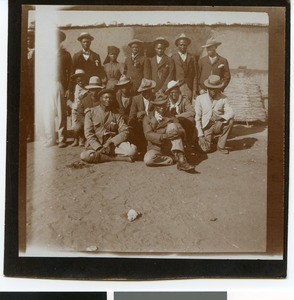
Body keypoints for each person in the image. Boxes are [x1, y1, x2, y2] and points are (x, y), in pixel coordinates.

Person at [80, 89, 137, 163]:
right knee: (85, 156)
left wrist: (111, 142)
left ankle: (101, 157)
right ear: (100, 99)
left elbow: (125, 131)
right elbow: (88, 134)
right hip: (95, 144)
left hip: (112, 145)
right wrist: (98, 148)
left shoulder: (116, 114)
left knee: (132, 151)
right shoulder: (91, 112)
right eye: (105, 97)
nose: (108, 100)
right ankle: (117, 158)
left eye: (110, 98)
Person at [143, 95, 195, 172]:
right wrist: (164, 136)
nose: (162, 107)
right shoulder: (147, 118)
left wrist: (177, 132)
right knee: (148, 160)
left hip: (170, 146)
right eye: (159, 105)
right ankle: (172, 159)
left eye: (163, 105)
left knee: (172, 126)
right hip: (156, 147)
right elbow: (148, 134)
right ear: (155, 106)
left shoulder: (171, 116)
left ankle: (181, 160)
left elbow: (181, 130)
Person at [45, 30, 72, 148]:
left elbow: (70, 72)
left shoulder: (65, 55)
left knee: (61, 112)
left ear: (60, 41)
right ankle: (51, 138)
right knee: (48, 113)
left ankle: (62, 138)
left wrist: (67, 88)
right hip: (46, 84)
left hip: (59, 83)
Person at [195, 75, 234, 154]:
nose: (214, 91)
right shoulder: (200, 99)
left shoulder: (224, 98)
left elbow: (231, 112)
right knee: (205, 150)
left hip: (217, 125)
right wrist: (200, 135)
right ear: (207, 88)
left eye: (216, 89)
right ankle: (206, 140)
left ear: (219, 88)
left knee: (230, 121)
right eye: (211, 89)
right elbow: (197, 118)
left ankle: (221, 146)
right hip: (205, 127)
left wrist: (220, 117)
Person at [71, 32, 106, 97]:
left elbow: (99, 71)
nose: (86, 43)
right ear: (81, 43)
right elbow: (72, 72)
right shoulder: (76, 56)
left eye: (87, 42)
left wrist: (101, 83)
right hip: (80, 84)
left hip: (92, 84)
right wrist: (70, 89)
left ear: (90, 42)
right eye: (84, 42)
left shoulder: (96, 56)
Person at [71, 75, 103, 147]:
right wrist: (88, 122)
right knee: (77, 127)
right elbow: (80, 114)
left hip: (100, 123)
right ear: (89, 90)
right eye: (92, 90)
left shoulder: (102, 99)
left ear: (100, 90)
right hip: (87, 123)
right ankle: (81, 137)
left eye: (96, 90)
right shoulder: (84, 99)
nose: (94, 92)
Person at [128, 78, 156, 154]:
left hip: (153, 123)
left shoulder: (155, 98)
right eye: (144, 91)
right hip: (140, 124)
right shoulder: (136, 99)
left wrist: (144, 112)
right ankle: (140, 148)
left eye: (148, 91)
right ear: (141, 92)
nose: (146, 93)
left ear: (151, 90)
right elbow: (132, 115)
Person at [165, 80, 196, 147]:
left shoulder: (184, 100)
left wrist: (178, 116)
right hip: (168, 122)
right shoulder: (166, 100)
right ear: (169, 93)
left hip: (181, 122)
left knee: (191, 120)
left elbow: (192, 112)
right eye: (172, 92)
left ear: (179, 91)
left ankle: (188, 142)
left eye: (176, 92)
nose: (174, 94)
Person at [171, 33, 198, 102]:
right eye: (181, 45)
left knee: (188, 104)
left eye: (184, 45)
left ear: (187, 46)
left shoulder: (192, 57)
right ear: (177, 45)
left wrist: (195, 89)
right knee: (178, 104)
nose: (183, 46)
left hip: (189, 87)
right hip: (177, 86)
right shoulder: (173, 57)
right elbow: (171, 74)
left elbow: (195, 75)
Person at [24, 29, 35, 142]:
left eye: (30, 39)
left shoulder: (37, 52)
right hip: (24, 87)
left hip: (34, 86)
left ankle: (32, 134)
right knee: (26, 109)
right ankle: (26, 133)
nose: (28, 41)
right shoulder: (23, 52)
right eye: (27, 39)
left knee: (34, 109)